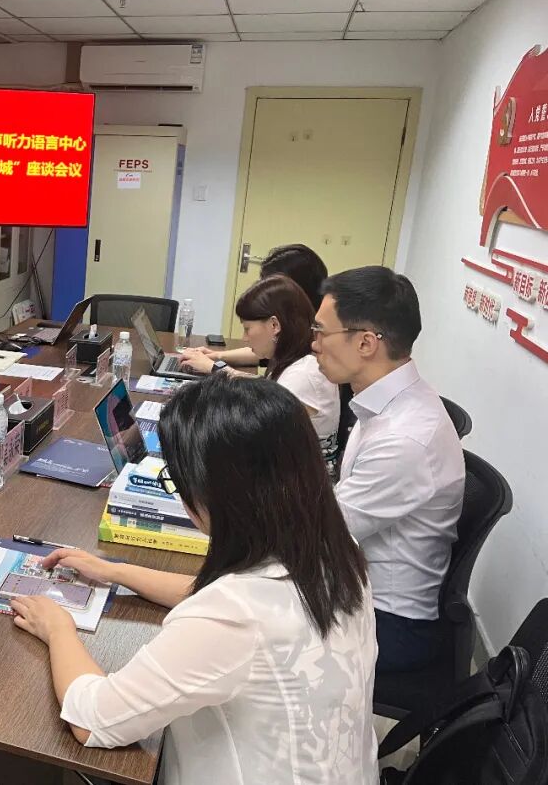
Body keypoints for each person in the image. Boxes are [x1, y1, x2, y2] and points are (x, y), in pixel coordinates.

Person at [11, 375, 377, 784]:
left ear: (217, 494)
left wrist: (58, 629)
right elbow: (223, 601)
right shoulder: (335, 548)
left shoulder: (233, 616)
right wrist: (115, 571)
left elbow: (93, 719)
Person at [313, 266, 464, 673]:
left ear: (365, 342)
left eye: (321, 332)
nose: (314, 345)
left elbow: (317, 535)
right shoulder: (385, 402)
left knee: (240, 624)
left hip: (389, 623)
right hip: (354, 581)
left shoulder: (405, 438)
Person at [179, 275, 340, 474]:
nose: (244, 338)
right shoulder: (295, 356)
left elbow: (259, 408)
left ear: (274, 326)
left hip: (298, 479)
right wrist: (217, 358)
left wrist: (216, 369)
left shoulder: (303, 375)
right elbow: (265, 387)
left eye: (247, 329)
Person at [199, 243, 329, 368]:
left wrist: (215, 368)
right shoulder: (296, 320)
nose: (264, 291)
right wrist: (216, 356)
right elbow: (263, 354)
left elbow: (280, 382)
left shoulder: (317, 340)